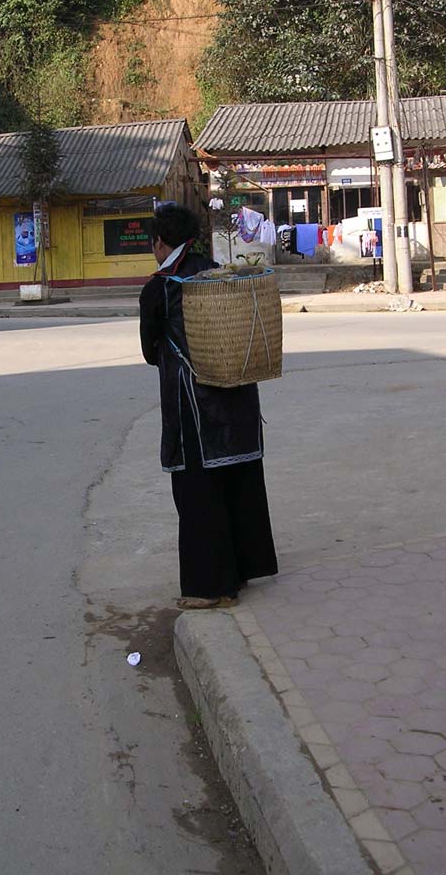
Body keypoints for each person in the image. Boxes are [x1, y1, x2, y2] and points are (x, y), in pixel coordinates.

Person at [139, 204, 278, 610]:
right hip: (238, 395)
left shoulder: (161, 287)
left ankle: (212, 587)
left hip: (194, 406)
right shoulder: (219, 274)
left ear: (160, 242)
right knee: (238, 479)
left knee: (199, 492)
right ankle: (245, 569)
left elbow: (151, 353)